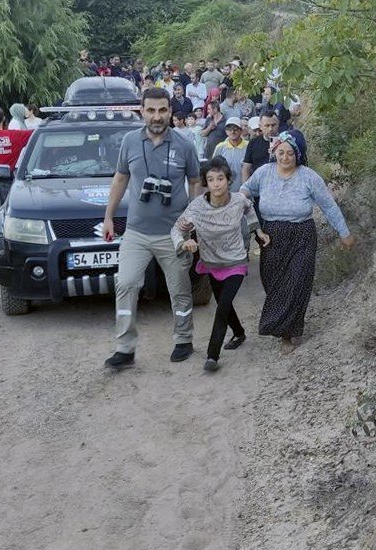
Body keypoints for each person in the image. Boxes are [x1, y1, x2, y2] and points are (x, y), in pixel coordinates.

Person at [102, 87, 201, 370]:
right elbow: (120, 179)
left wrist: (192, 218)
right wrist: (108, 217)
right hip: (136, 231)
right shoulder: (130, 142)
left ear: (170, 111)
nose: (157, 116)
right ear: (142, 111)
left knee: (180, 289)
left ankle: (183, 340)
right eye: (151, 110)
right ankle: (124, 348)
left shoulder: (184, 145)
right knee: (127, 283)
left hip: (173, 233)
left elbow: (195, 182)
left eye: (162, 110)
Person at [241, 132, 355, 353]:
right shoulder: (264, 173)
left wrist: (344, 232)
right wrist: (243, 201)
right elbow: (246, 190)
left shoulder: (309, 177)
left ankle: (288, 332)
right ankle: (285, 325)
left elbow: (328, 206)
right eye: (281, 152)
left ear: (298, 155)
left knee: (297, 283)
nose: (285, 157)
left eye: (290, 153)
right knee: (273, 284)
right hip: (271, 236)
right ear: (274, 152)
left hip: (302, 235)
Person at [171, 156, 270, 372]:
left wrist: (257, 231)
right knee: (223, 303)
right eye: (211, 179)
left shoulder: (238, 200)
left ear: (228, 180)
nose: (217, 184)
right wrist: (184, 242)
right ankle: (239, 333)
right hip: (211, 262)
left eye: (221, 178)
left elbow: (249, 208)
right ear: (206, 182)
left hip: (235, 260)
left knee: (223, 306)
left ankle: (212, 355)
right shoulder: (196, 208)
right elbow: (177, 228)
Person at [213, 118, 248, 191]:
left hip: (243, 190)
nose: (233, 132)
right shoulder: (220, 147)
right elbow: (214, 168)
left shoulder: (248, 146)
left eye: (236, 129)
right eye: (229, 129)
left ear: (241, 130)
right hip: (224, 190)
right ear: (226, 131)